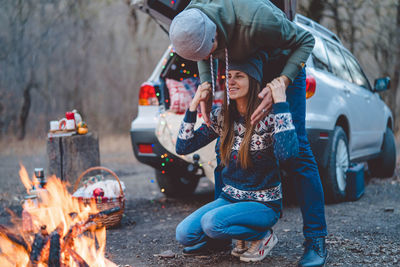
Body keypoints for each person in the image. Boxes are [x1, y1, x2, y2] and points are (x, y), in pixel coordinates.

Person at [169, 1, 328, 266]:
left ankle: (315, 239)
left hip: (283, 65)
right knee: (228, 141)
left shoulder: (259, 19)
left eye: (209, 51)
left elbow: (306, 41)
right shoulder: (196, 13)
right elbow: (203, 56)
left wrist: (282, 84)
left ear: (216, 35)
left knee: (298, 150)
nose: (208, 58)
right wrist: (206, 84)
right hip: (241, 66)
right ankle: (224, 229)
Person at [175, 53, 298, 262]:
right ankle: (242, 234)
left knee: (213, 224)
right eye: (228, 76)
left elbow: (287, 155)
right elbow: (183, 146)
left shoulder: (269, 119)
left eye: (239, 76)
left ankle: (262, 236)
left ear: (253, 80)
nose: (231, 81)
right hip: (230, 199)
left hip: (264, 205)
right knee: (184, 234)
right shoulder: (222, 117)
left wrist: (281, 104)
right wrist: (193, 105)